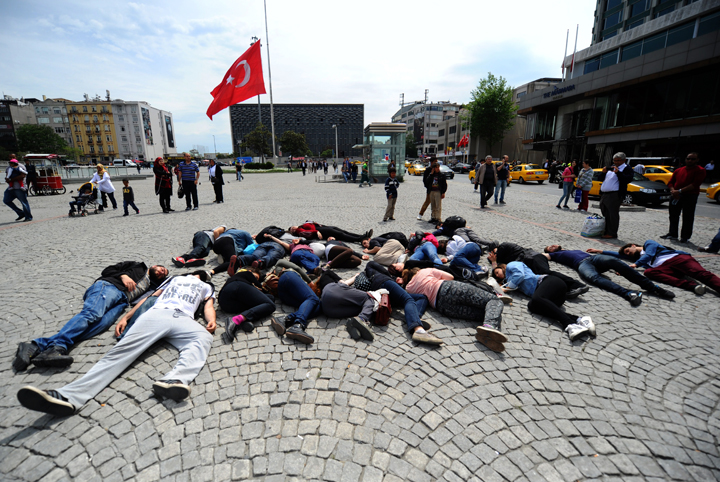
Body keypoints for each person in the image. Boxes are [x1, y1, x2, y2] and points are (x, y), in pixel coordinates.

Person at [17, 272, 215, 416]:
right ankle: (69, 396)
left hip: (184, 319)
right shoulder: (174, 279)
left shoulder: (207, 287)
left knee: (203, 338)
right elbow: (150, 297)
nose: (198, 275)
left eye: (203, 274)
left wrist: (210, 321)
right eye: (197, 272)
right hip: (157, 314)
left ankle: (175, 380)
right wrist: (127, 317)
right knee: (120, 353)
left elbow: (208, 305)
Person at [12, 262, 168, 371]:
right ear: (154, 266)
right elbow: (107, 270)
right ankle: (57, 347)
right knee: (92, 314)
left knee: (99, 326)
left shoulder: (151, 286)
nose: (162, 272)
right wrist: (123, 276)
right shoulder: (136, 266)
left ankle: (37, 346)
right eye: (162, 269)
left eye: (163, 274)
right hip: (109, 287)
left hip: (122, 302)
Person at [404, 267, 506, 352]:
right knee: (495, 301)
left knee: (486, 313)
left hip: (443, 307)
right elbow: (450, 277)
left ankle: (487, 333)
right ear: (416, 271)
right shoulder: (424, 271)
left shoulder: (408, 288)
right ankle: (489, 327)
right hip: (449, 288)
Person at [543, 244, 675, 306]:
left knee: (614, 261)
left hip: (594, 258)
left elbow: (616, 255)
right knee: (592, 278)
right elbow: (540, 256)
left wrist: (600, 252)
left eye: (552, 245)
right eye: (550, 247)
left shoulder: (572, 249)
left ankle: (653, 288)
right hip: (582, 264)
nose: (552, 246)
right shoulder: (554, 255)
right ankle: (628, 293)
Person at [492, 263, 595, 341]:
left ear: (502, 267)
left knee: (537, 299)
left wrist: (507, 288)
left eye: (497, 272)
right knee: (532, 306)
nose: (498, 275)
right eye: (497, 277)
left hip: (550, 282)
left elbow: (520, 275)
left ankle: (569, 324)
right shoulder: (509, 280)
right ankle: (579, 319)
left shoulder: (511, 265)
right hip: (551, 298)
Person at [348, 261, 441, 345]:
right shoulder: (372, 266)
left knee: (422, 297)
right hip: (384, 283)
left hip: (384, 291)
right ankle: (418, 330)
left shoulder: (373, 275)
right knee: (408, 300)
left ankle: (414, 316)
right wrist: (393, 277)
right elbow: (377, 267)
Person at [594, 241, 720, 295]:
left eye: (628, 250)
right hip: (666, 268)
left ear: (633, 245)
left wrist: (635, 265)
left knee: (702, 274)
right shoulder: (638, 259)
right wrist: (600, 251)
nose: (628, 254)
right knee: (649, 272)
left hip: (678, 259)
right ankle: (691, 286)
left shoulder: (649, 244)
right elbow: (618, 255)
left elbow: (649, 254)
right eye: (626, 254)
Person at [487, 242, 588, 297]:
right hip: (530, 262)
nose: (495, 254)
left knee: (546, 273)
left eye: (494, 252)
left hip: (533, 257)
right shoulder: (503, 259)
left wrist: (497, 259)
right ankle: (566, 288)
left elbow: (519, 256)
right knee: (545, 277)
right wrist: (493, 262)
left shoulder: (505, 246)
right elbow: (499, 271)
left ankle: (577, 285)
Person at [218, 266, 275, 341]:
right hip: (235, 288)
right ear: (251, 271)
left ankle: (244, 319)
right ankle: (236, 320)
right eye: (255, 277)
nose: (255, 280)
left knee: (270, 298)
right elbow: (256, 282)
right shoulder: (246, 273)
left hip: (227, 304)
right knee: (270, 305)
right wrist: (260, 286)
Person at [661, 152, 706, 243]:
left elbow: (695, 184)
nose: (690, 160)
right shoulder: (678, 170)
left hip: (690, 196)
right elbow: (670, 182)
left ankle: (685, 236)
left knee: (688, 216)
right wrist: (673, 191)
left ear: (697, 160)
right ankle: (673, 233)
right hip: (675, 195)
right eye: (688, 158)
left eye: (693, 159)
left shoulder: (700, 170)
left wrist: (680, 191)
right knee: (673, 215)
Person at [271, 270, 320, 344]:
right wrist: (309, 280)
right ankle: (298, 325)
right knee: (313, 298)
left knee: (317, 307)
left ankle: (285, 319)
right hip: (288, 276)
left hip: (284, 295)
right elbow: (297, 268)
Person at [598, 152, 633, 239]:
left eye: (618, 160)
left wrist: (618, 173)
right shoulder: (611, 167)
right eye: (615, 160)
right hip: (605, 194)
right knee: (605, 213)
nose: (616, 162)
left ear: (624, 160)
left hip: (615, 194)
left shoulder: (626, 168)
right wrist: (603, 172)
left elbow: (627, 179)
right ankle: (606, 230)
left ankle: (612, 233)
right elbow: (600, 179)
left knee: (612, 214)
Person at [4, 155, 32, 222]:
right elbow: (7, 176)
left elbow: (22, 176)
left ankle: (28, 216)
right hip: (11, 188)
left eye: (13, 157)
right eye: (10, 157)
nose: (11, 158)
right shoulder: (8, 168)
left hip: (19, 187)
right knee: (6, 200)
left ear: (16, 158)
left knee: (24, 202)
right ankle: (21, 213)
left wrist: (11, 179)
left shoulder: (20, 166)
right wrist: (7, 179)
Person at [289, 222, 372, 244]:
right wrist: (316, 231)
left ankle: (362, 236)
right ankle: (359, 239)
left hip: (323, 227)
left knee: (343, 232)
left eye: (292, 227)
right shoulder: (299, 230)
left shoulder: (302, 225)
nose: (293, 228)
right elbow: (306, 232)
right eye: (292, 230)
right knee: (341, 235)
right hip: (322, 231)